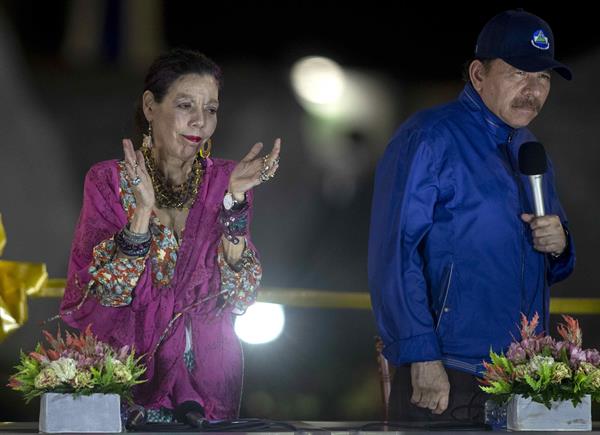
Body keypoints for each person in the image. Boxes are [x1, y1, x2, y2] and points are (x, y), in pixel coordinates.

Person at [368, 9, 575, 423]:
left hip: (522, 375)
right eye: (518, 72)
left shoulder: (531, 150)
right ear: (478, 74)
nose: (532, 90)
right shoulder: (428, 137)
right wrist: (421, 354)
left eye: (543, 78)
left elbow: (548, 261)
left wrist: (560, 245)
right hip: (449, 374)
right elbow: (394, 254)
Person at [60, 48, 281, 422]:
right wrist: (142, 213)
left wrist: (235, 204)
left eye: (210, 109)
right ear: (150, 106)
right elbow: (105, 292)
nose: (200, 122)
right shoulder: (109, 181)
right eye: (185, 105)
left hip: (206, 383)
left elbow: (241, 295)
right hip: (126, 376)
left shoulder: (226, 182)